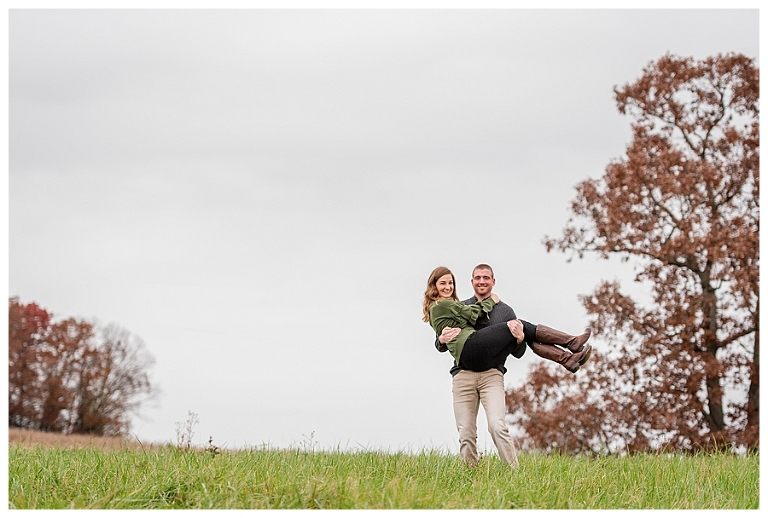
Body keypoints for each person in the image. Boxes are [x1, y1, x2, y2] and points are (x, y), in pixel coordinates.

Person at [423, 264, 592, 468]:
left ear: (493, 281)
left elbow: (518, 353)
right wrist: (440, 340)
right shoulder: (462, 305)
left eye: (486, 278)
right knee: (466, 431)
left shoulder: (504, 311)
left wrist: (520, 339)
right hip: (465, 369)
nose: (482, 281)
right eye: (478, 278)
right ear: (472, 282)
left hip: (491, 373)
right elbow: (443, 336)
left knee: (497, 425)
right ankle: (569, 350)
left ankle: (513, 472)